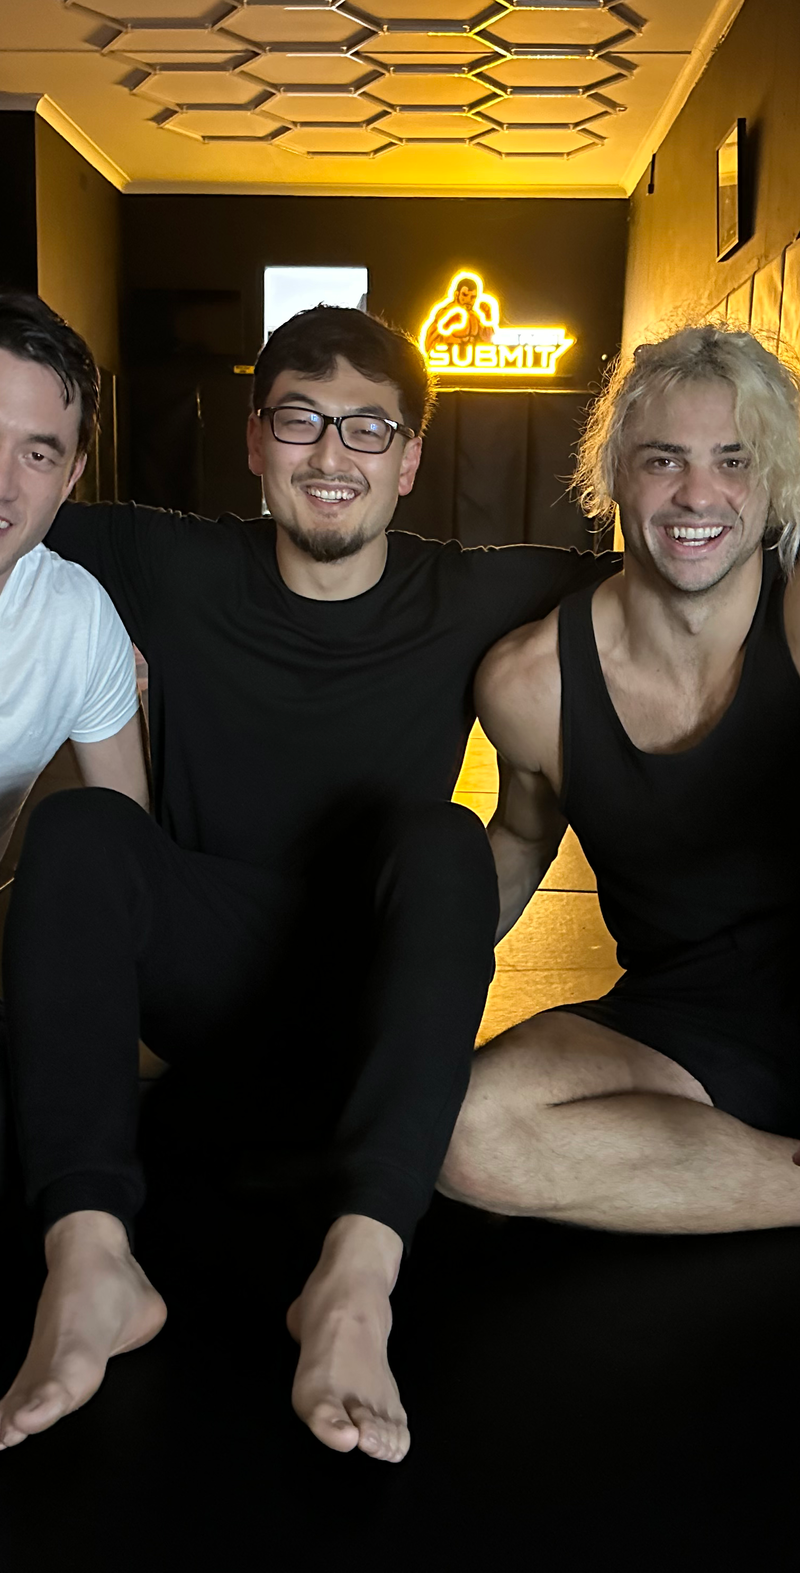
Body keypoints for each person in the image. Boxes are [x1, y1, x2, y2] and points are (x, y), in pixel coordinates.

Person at [0, 298, 616, 1462]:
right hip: (199, 976)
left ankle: (353, 1279)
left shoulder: (473, 589)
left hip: (368, 994)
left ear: (410, 459)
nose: (330, 455)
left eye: (366, 429)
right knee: (82, 827)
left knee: (443, 837)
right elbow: (16, 494)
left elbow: (684, 552)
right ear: (253, 441)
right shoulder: (169, 559)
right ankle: (88, 1263)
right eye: (299, 421)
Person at [441, 322, 800, 1239]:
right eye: (664, 459)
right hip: (683, 1027)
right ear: (613, 475)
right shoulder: (531, 684)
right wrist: (402, 970)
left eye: (735, 461)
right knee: (463, 1134)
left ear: (775, 487)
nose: (699, 494)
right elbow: (520, 840)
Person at [0, 292, 147, 1191]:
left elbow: (121, 850)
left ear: (72, 474)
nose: (3, 481)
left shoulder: (76, 615)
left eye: (37, 451)